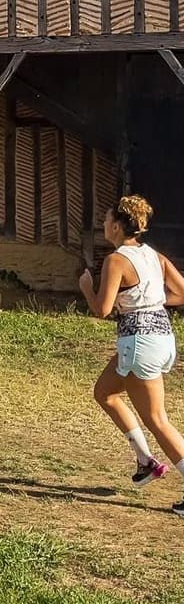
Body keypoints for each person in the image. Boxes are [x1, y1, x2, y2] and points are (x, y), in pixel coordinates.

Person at [80, 194, 184, 512]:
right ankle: (145, 461)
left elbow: (102, 309)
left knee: (157, 419)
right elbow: (180, 292)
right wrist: (149, 301)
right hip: (161, 338)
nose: (103, 224)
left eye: (106, 220)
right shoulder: (154, 255)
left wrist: (85, 285)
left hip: (140, 343)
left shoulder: (116, 260)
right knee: (105, 392)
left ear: (116, 226)